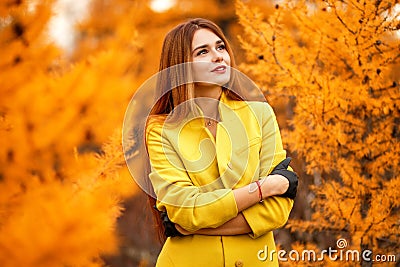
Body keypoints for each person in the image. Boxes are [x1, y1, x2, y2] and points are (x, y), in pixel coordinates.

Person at [144, 18, 298, 266]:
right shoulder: (161, 129)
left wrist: (195, 226)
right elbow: (184, 210)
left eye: (220, 47)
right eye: (203, 51)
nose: (217, 56)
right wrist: (262, 189)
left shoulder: (260, 115)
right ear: (180, 65)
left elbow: (277, 211)